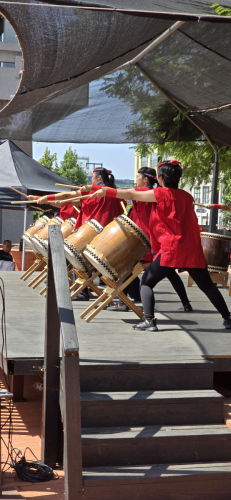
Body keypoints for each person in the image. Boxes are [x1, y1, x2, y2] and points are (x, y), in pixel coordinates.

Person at [83, 160, 231, 331]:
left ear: (160, 178)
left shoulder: (160, 194)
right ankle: (228, 318)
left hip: (172, 249)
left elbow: (131, 194)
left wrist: (103, 191)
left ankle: (149, 320)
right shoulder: (187, 196)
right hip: (192, 249)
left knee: (146, 282)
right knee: (207, 286)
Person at [108, 166, 192, 313]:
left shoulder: (147, 192)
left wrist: (100, 189)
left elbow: (128, 193)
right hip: (151, 239)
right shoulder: (153, 192)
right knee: (170, 272)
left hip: (144, 241)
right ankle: (185, 303)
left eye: (138, 176)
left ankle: (124, 302)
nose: (136, 179)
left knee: (126, 266)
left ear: (146, 179)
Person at [36, 168, 125, 300]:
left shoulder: (93, 191)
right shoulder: (113, 193)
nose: (91, 180)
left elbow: (68, 196)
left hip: (93, 235)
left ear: (99, 178)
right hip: (110, 236)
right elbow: (73, 200)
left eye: (93, 177)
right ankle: (132, 291)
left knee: (77, 256)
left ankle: (82, 291)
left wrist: (46, 198)